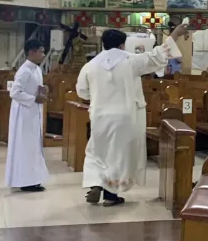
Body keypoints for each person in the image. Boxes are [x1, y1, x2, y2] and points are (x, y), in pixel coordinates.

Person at [77, 24, 187, 206]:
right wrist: (174, 34)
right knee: (118, 155)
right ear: (122, 45)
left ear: (103, 44)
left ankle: (96, 183)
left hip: (99, 116)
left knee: (97, 152)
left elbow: (82, 92)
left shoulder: (90, 65)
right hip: (124, 117)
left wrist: (98, 96)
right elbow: (156, 57)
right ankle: (111, 195)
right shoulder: (130, 61)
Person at [5, 39, 49, 191]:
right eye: (41, 52)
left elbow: (34, 87)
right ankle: (25, 181)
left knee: (33, 146)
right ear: (32, 52)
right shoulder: (24, 70)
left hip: (33, 112)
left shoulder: (36, 69)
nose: (43, 55)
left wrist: (42, 91)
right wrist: (33, 98)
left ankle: (33, 178)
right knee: (25, 146)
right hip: (24, 114)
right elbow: (15, 92)